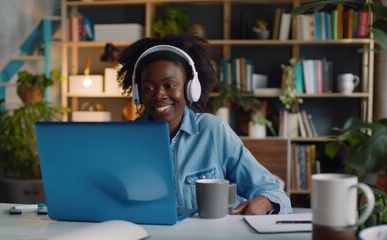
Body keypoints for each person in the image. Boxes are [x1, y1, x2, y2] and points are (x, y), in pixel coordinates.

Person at [117, 34, 292, 215]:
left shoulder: (213, 131)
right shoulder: (128, 140)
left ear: (190, 88)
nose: (158, 95)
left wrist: (267, 202)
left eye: (169, 85)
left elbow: (273, 191)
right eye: (148, 88)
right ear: (138, 93)